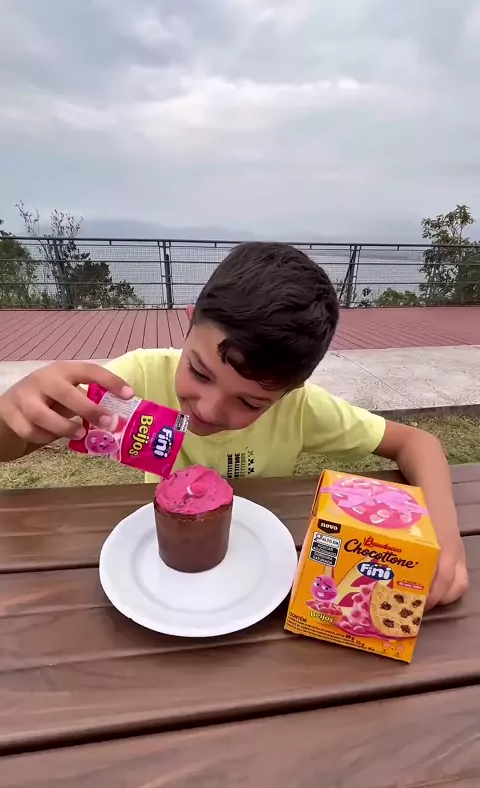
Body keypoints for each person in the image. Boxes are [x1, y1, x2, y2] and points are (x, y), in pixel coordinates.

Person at [0, 242, 467, 608]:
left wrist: (446, 541)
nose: (208, 409)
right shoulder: (135, 380)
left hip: (261, 574)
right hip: (166, 571)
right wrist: (15, 410)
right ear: (188, 326)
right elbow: (9, 447)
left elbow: (417, 443)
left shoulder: (300, 409)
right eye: (199, 372)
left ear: (289, 392)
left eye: (249, 402)